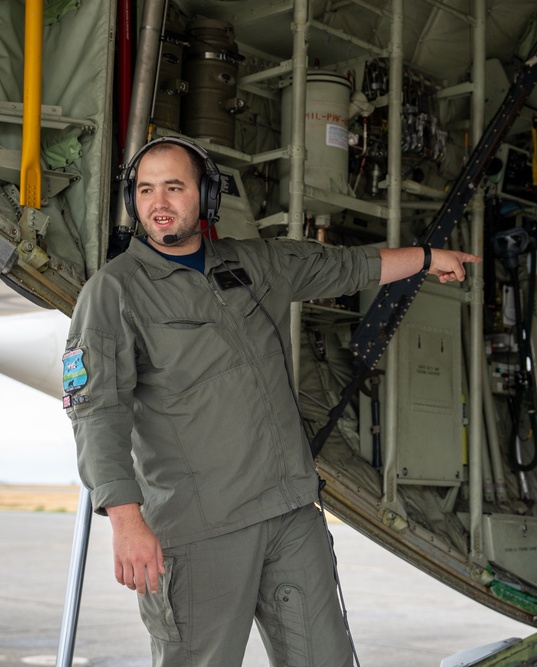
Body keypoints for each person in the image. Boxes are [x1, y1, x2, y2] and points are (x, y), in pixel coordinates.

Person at [64, 137, 480, 666]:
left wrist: (427, 258)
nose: (159, 203)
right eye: (145, 190)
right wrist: (126, 522)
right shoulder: (113, 292)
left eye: (174, 187)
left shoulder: (257, 264)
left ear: (206, 195)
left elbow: (349, 267)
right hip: (199, 529)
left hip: (288, 515)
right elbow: (97, 410)